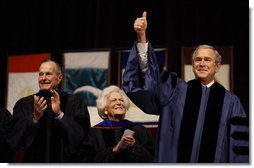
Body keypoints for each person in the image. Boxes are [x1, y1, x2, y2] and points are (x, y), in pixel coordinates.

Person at [122, 11, 249, 163]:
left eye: (207, 60)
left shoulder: (231, 102)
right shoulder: (174, 90)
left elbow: (239, 149)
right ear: (193, 64)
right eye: (198, 59)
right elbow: (150, 78)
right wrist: (142, 38)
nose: (202, 63)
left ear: (217, 66)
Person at [2, 59, 91, 163]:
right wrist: (34, 119)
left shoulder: (75, 103)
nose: (43, 78)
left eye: (48, 74)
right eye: (41, 74)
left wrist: (60, 115)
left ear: (59, 78)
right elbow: (13, 139)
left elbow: (84, 138)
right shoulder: (25, 104)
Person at [90, 85, 154, 163]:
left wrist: (134, 148)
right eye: (114, 100)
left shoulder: (138, 130)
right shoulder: (94, 133)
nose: (119, 103)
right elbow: (90, 159)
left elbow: (151, 157)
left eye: (121, 100)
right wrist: (114, 150)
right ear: (105, 107)